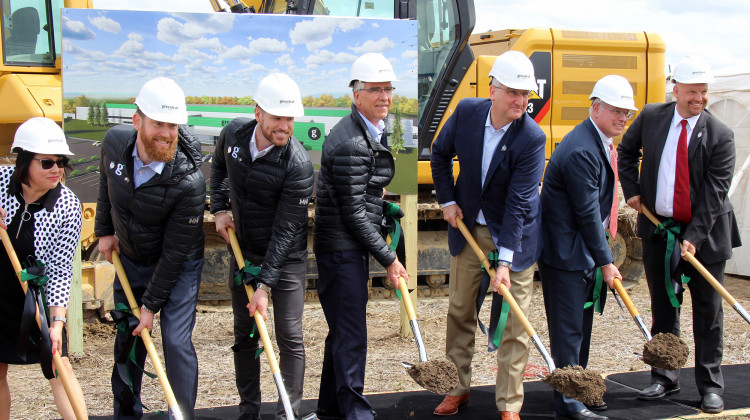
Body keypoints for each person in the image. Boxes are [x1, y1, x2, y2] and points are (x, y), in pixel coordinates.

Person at [618, 56, 740, 415]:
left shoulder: (721, 135)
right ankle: (665, 376)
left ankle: (710, 386)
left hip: (706, 233)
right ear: (676, 89)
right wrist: (633, 190)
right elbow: (626, 151)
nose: (699, 98)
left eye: (703, 92)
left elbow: (716, 194)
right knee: (665, 306)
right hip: (659, 228)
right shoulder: (653, 117)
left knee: (708, 312)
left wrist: (694, 238)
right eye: (692, 92)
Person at [430, 51, 545, 420]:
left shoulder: (531, 137)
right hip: (469, 230)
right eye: (513, 92)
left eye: (526, 95)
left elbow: (519, 204)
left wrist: (505, 263)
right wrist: (447, 200)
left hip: (516, 237)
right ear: (493, 90)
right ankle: (456, 389)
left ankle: (509, 404)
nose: (521, 102)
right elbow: (439, 153)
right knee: (460, 311)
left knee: (513, 323)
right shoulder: (466, 112)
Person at [96, 77, 206, 420]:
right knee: (127, 336)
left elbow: (174, 254)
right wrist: (104, 230)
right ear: (137, 120)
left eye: (173, 125)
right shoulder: (114, 142)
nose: (167, 133)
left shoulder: (189, 181)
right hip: (131, 253)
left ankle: (181, 415)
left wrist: (150, 305)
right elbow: (105, 180)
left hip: (178, 263)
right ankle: (127, 414)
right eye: (159, 122)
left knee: (174, 341)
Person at [211, 73, 314, 420]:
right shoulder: (233, 134)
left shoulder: (297, 165)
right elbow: (217, 169)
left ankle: (288, 412)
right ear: (258, 114)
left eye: (290, 118)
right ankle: (248, 411)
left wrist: (265, 285)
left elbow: (286, 231)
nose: (285, 126)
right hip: (244, 253)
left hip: (286, 262)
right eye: (277, 118)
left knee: (288, 335)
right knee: (245, 335)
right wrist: (220, 208)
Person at [313, 52, 408, 420]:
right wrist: (389, 257)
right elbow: (352, 213)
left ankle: (329, 409)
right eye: (375, 90)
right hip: (341, 249)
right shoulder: (352, 142)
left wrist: (377, 200)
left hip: (342, 245)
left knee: (341, 332)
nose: (384, 96)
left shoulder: (363, 132)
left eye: (388, 89)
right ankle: (356, 413)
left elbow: (357, 197)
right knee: (351, 336)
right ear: (357, 94)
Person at [538, 75, 636, 420]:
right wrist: (607, 261)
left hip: (578, 252)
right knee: (569, 332)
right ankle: (568, 403)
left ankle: (578, 389)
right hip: (566, 254)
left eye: (627, 113)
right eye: (617, 111)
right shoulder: (583, 149)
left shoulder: (598, 142)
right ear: (596, 108)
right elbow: (586, 214)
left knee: (580, 328)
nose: (623, 119)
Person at [0, 117, 86, 420]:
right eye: (47, 163)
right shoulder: (0, 181)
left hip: (34, 293)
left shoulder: (67, 205)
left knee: (58, 369)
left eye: (61, 162)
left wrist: (57, 322)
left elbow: (62, 269)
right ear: (24, 160)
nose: (57, 170)